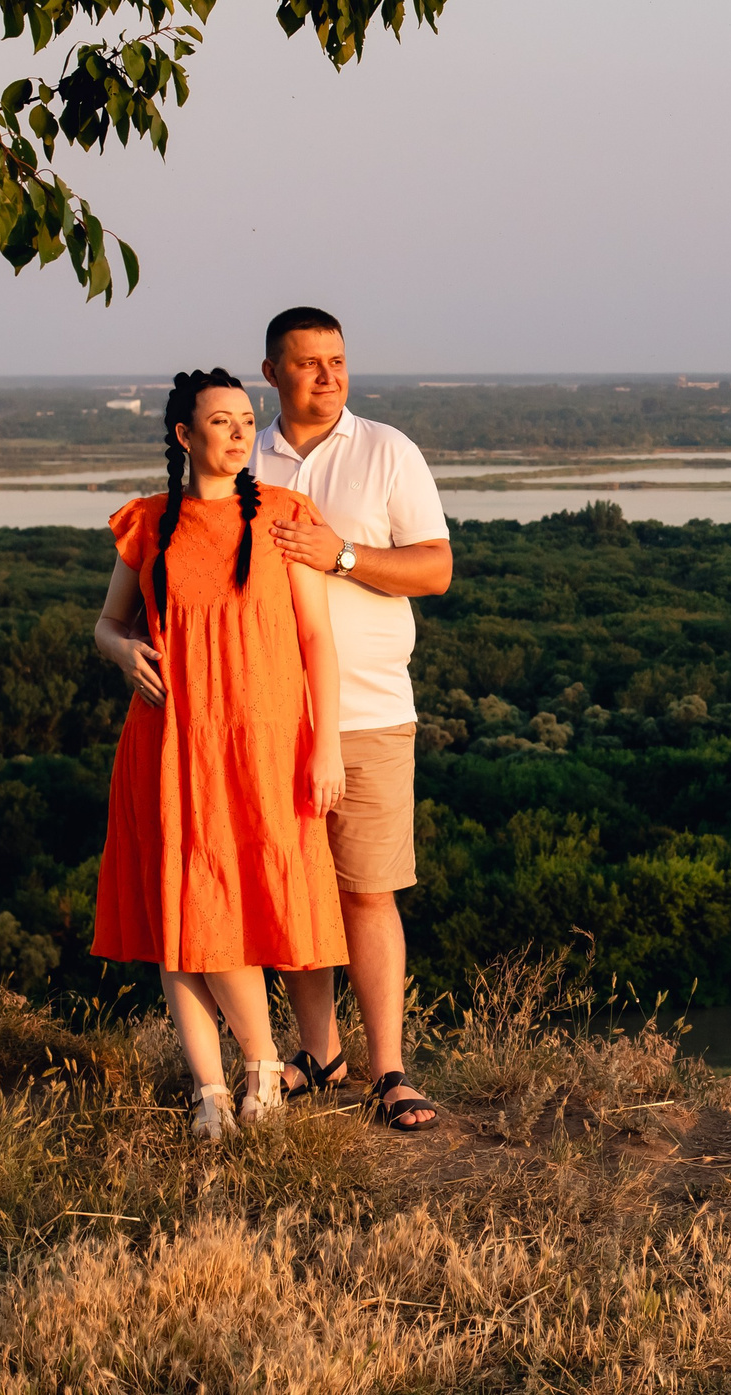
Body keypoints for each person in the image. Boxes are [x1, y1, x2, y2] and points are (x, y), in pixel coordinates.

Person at [91, 367, 350, 1141]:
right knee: (181, 915)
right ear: (184, 435)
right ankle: (211, 1088)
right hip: (169, 743)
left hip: (263, 745)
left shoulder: (282, 515)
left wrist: (325, 743)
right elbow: (108, 622)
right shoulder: (150, 523)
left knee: (228, 914)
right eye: (222, 422)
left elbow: (316, 640)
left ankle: (264, 1064)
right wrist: (121, 651)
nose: (240, 433)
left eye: (246, 420)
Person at [251, 308, 454, 1130]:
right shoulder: (244, 455)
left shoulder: (387, 450)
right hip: (268, 716)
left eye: (337, 360)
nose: (328, 376)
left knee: (368, 893)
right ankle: (319, 1053)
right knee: (296, 894)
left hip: (370, 710)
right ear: (271, 373)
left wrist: (338, 554)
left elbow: (435, 569)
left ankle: (390, 1070)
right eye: (307, 364)